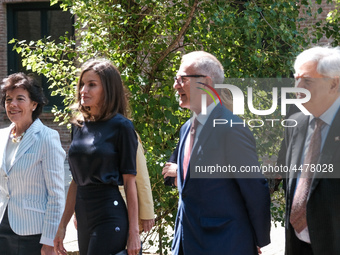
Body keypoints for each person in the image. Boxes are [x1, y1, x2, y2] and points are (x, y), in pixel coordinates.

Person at [168, 51, 271, 255]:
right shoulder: (186, 128)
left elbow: (254, 188)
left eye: (182, 79)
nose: (175, 85)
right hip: (186, 243)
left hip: (224, 243)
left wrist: (258, 238)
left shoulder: (231, 128)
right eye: (175, 79)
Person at [53, 59, 141, 255]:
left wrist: (134, 232)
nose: (84, 90)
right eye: (82, 84)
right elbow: (76, 181)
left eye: (92, 84)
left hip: (109, 214)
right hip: (83, 215)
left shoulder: (122, 127)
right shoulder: (79, 126)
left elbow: (130, 182)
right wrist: (62, 225)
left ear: (108, 89)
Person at [0, 73, 66, 255]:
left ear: (34, 104)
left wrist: (49, 241)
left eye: (20, 99)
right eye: (8, 99)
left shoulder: (47, 138)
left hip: (31, 232)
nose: (12, 104)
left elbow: (56, 195)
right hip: (2, 227)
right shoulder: (1, 136)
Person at [283, 46, 340, 255]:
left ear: (334, 83)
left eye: (307, 81)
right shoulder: (295, 124)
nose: (298, 87)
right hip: (298, 245)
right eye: (296, 79)